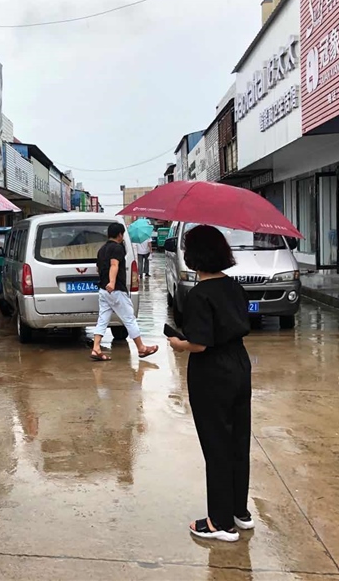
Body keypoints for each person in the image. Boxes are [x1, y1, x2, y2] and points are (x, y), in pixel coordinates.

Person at [167, 225, 253, 543]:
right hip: (239, 365)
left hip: (212, 372)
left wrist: (179, 344)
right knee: (238, 441)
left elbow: (199, 343)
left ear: (194, 256)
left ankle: (219, 522)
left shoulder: (199, 295)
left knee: (216, 444)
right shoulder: (234, 287)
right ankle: (239, 512)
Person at [91, 222, 158, 361]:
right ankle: (141, 348)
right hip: (116, 290)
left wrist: (106, 282)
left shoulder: (101, 250)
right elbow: (114, 265)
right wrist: (112, 282)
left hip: (103, 290)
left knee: (103, 319)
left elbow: (98, 269)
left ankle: (96, 348)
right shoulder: (117, 248)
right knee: (129, 319)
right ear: (120, 234)